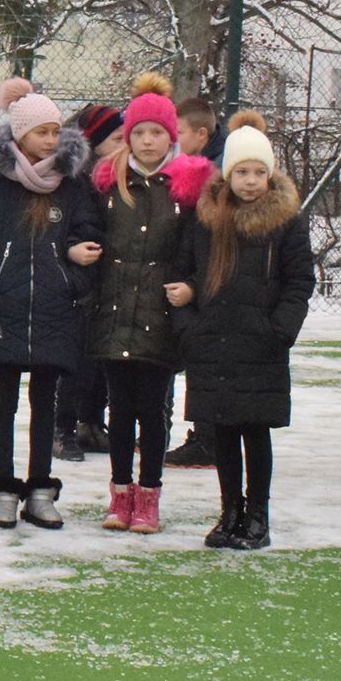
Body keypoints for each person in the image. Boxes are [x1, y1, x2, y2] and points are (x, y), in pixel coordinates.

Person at [0, 82, 103, 530]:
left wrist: (72, 277)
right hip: (6, 309)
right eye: (42, 131)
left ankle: (41, 489)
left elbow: (90, 238)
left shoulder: (73, 186)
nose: (50, 139)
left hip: (57, 312)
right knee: (4, 404)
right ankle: (3, 488)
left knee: (46, 402)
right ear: (20, 135)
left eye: (56, 130)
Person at [172, 112, 314, 550]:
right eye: (242, 172)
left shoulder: (285, 222)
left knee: (255, 430)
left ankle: (258, 516)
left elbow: (300, 281)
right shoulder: (206, 219)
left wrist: (280, 330)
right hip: (213, 342)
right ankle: (229, 510)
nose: (250, 181)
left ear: (270, 175)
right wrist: (189, 325)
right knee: (222, 431)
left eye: (258, 172)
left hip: (261, 344)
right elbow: (185, 274)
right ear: (228, 173)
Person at [88, 73, 214, 535]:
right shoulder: (107, 186)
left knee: (153, 410)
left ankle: (149, 495)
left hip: (161, 319)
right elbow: (90, 238)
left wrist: (191, 287)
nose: (146, 140)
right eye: (138, 132)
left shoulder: (187, 190)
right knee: (118, 411)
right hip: (115, 313)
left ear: (171, 137)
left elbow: (201, 251)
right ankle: (120, 494)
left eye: (156, 132)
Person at [55, 101, 123, 464]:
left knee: (101, 357)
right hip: (80, 278)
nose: (124, 144)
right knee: (76, 359)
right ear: (95, 141)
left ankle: (92, 422)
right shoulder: (77, 179)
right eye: (115, 138)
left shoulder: (119, 173)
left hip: (109, 276)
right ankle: (62, 428)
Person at [164, 95, 229, 469]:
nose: (174, 140)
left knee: (205, 358)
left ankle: (208, 438)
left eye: (180, 133)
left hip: (208, 280)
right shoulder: (202, 163)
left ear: (201, 134)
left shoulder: (213, 173)